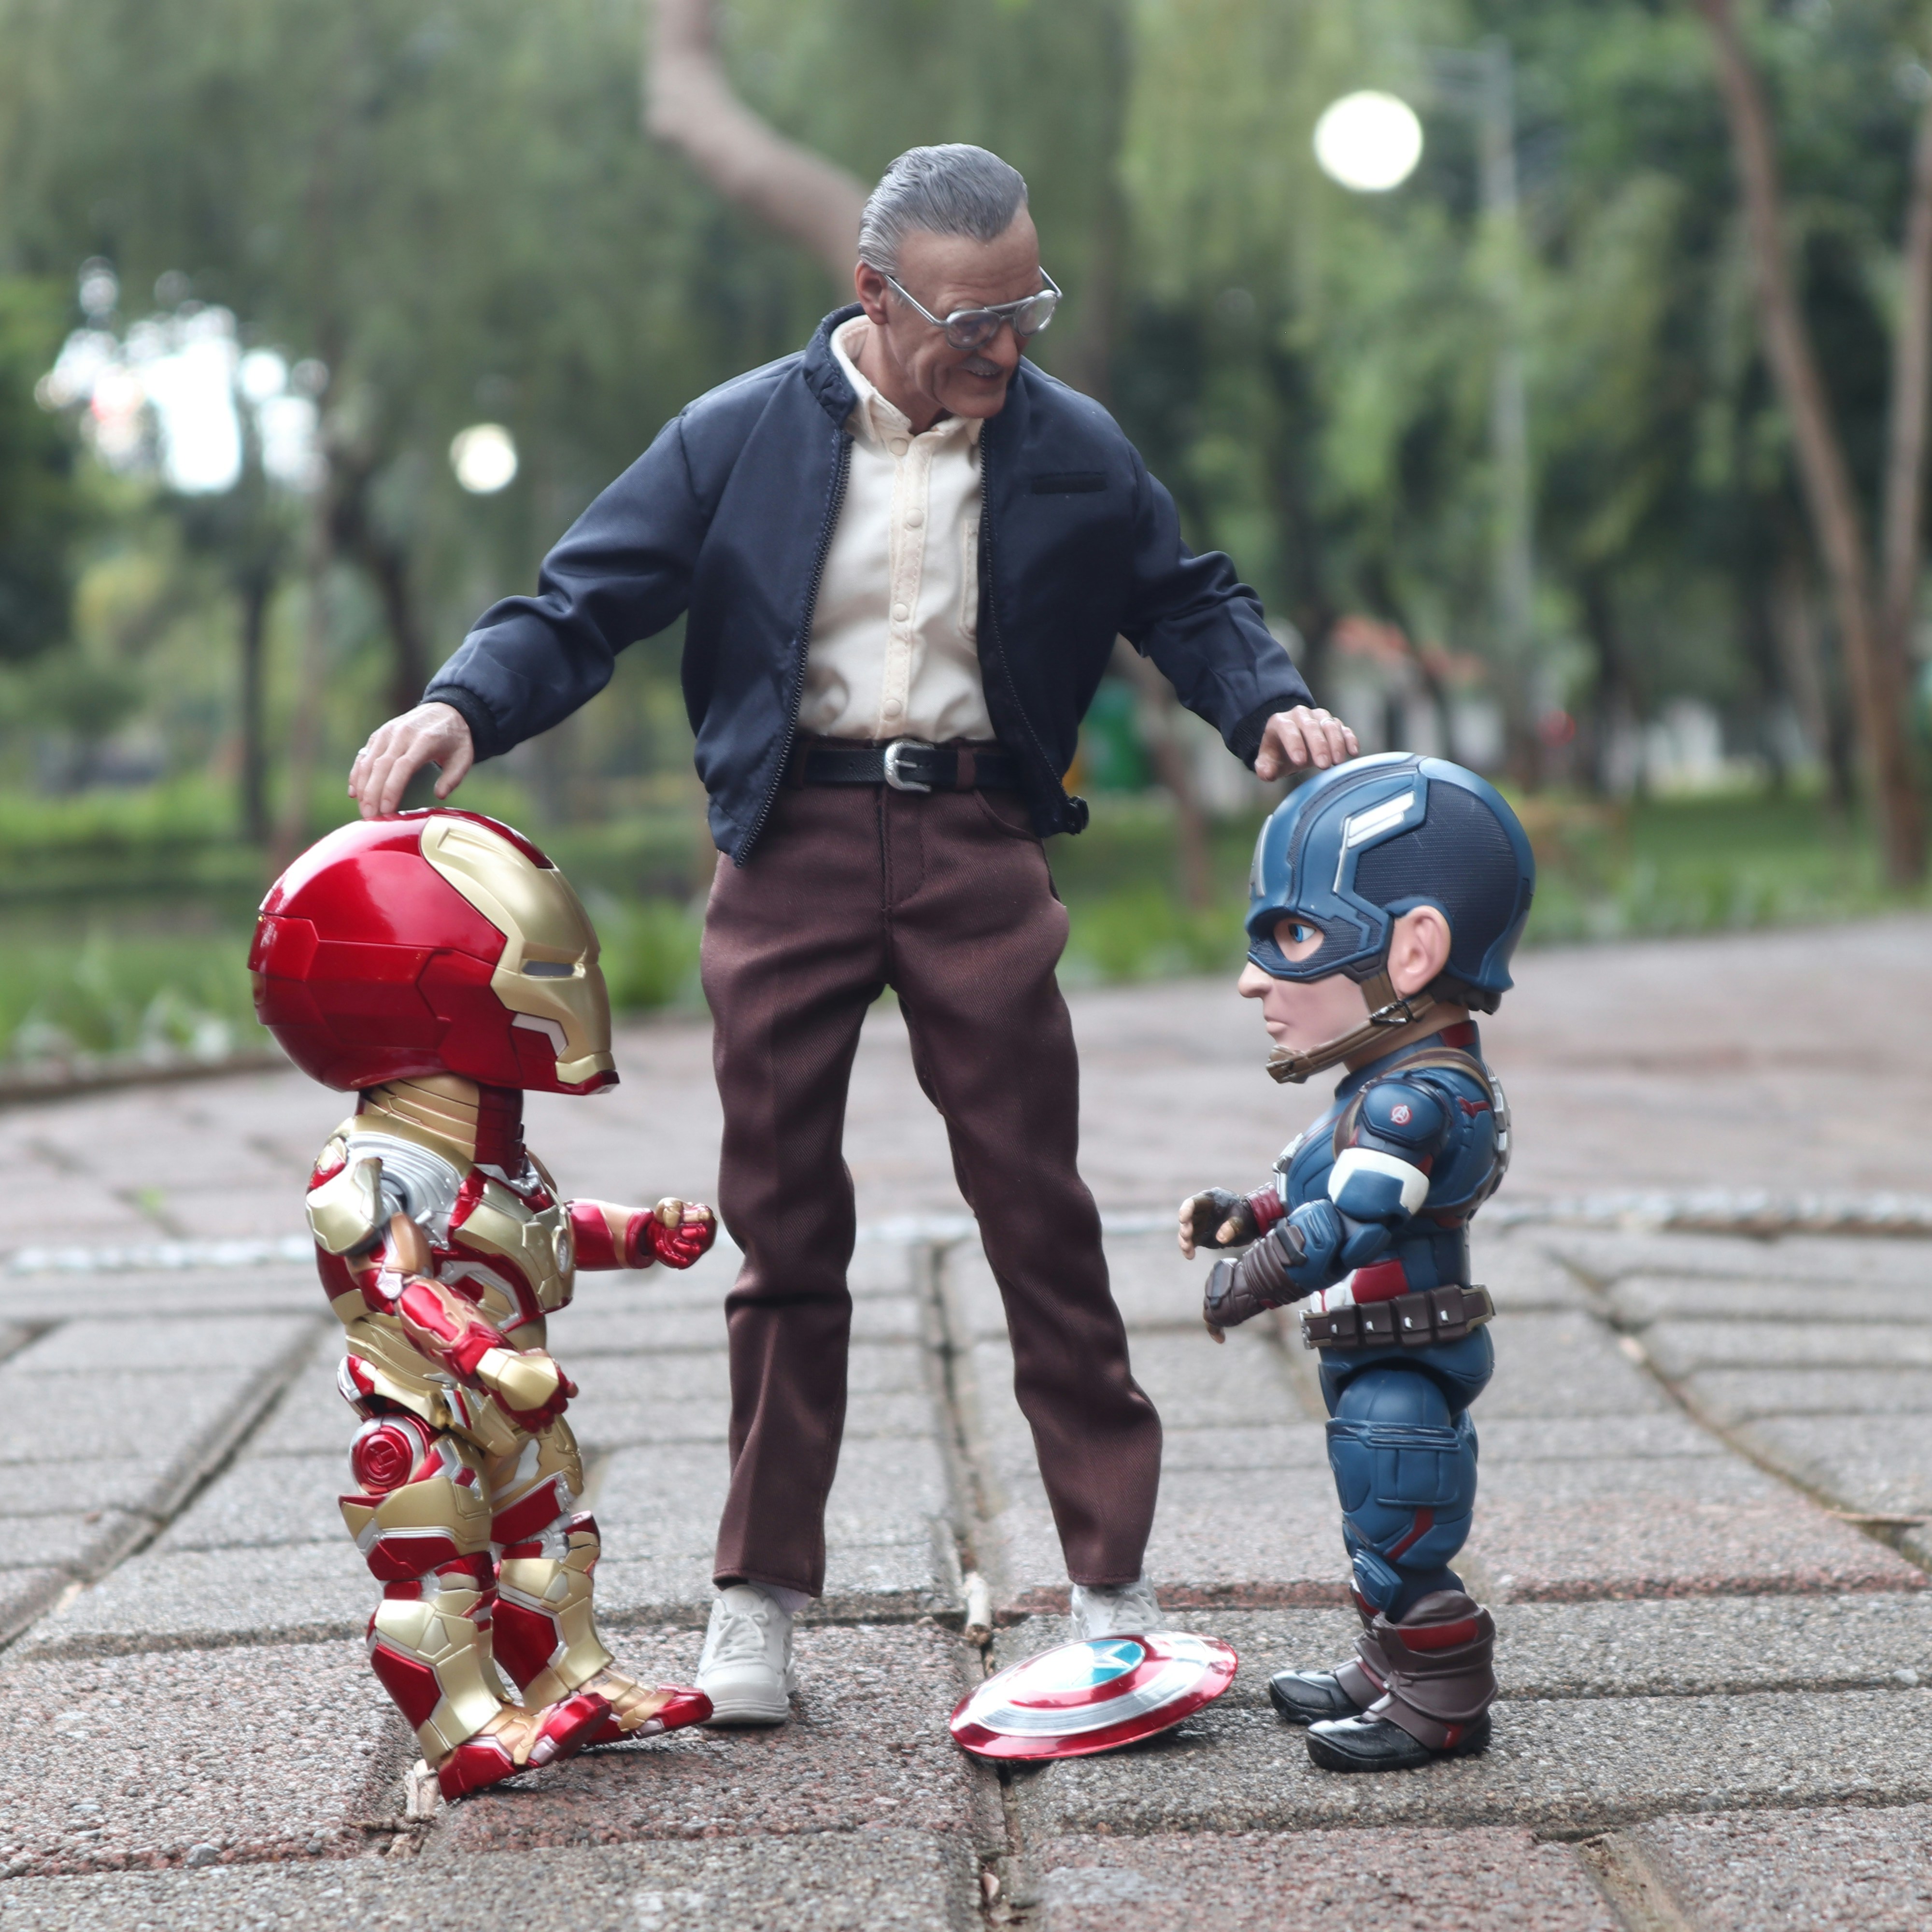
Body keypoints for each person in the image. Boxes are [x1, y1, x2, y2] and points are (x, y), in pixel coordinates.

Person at [345, 143, 1358, 1725]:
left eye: (1029, 310)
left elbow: (1189, 596)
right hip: (792, 843)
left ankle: (1111, 1586)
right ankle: (757, 1594)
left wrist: (1272, 701)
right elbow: (581, 603)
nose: (1008, 351)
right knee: (784, 1225)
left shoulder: (1069, 444)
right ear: (875, 296)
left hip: (975, 842)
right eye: (976, 324)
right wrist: (464, 705)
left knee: (1039, 1211)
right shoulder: (738, 437)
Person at [252, 808, 720, 1800]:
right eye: (545, 972)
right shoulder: (369, 1167)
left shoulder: (483, 1151)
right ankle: (466, 1726)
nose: (570, 995)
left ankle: (571, 1678)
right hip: (422, 1404)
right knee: (437, 1562)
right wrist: (491, 1359)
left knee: (552, 1540)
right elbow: (396, 1281)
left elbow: (535, 1222)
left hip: (512, 1394)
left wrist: (639, 1232)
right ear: (409, 987)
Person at [1178, 753, 1534, 1773]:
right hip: (1373, 1346)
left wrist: (1250, 1277)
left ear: (1413, 948)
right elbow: (1310, 1188)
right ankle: (1386, 1666)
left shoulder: (1414, 1097)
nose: (1256, 977)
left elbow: (1349, 1223)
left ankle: (1442, 1697)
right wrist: (1242, 1213)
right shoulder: (1379, 1084)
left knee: (1398, 1522)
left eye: (1291, 936)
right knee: (1371, 1516)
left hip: (1408, 1353)